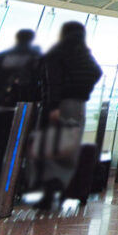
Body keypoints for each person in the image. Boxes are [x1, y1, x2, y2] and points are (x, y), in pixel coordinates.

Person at [36, 22, 103, 209]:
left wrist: (53, 106)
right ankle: (71, 190)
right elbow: (96, 72)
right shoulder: (83, 53)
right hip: (79, 105)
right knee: (71, 148)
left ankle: (48, 193)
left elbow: (53, 82)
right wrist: (82, 90)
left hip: (60, 105)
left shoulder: (58, 52)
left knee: (52, 147)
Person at [0, 29, 42, 196]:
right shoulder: (37, 58)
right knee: (21, 148)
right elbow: (44, 83)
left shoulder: (3, 57)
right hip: (24, 110)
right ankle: (16, 184)